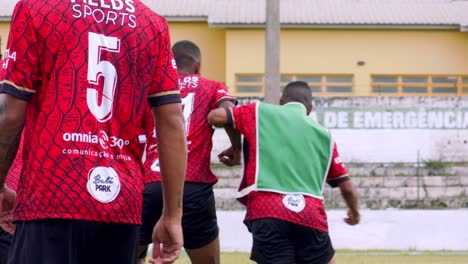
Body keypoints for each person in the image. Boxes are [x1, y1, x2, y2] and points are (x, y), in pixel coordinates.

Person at [0, 0, 187, 263]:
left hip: (52, 192)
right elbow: (172, 122)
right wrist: (171, 216)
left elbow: (10, 113)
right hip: (121, 201)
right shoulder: (152, 23)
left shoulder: (36, 8)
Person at [208, 81, 360, 264]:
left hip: (267, 209)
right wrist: (354, 213)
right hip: (309, 212)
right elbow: (347, 187)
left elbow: (216, 116)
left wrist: (237, 147)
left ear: (281, 102)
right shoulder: (324, 135)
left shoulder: (258, 112)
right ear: (310, 109)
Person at [137, 40, 239, 264]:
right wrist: (237, 149)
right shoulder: (211, 86)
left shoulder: (153, 89)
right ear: (198, 66)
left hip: (149, 184)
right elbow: (229, 114)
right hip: (192, 184)